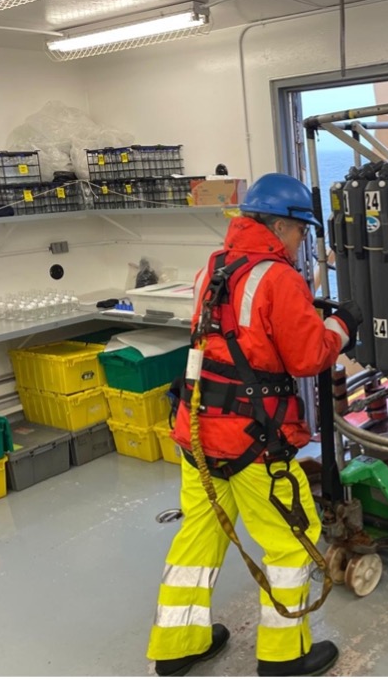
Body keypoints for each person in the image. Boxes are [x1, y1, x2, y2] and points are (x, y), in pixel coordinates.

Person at [146, 173, 362, 677]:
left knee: (199, 535)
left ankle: (178, 645)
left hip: (198, 430)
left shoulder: (213, 268)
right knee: (291, 540)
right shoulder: (278, 278)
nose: (302, 242)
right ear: (283, 226)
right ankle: (285, 656)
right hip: (254, 440)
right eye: (301, 232)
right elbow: (308, 356)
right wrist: (341, 325)